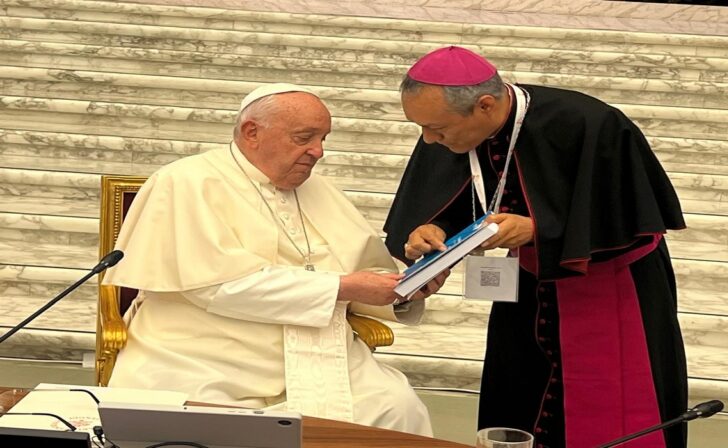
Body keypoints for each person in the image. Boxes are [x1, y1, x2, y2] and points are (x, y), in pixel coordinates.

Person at [384, 46, 688, 447]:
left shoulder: (589, 122)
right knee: (519, 392)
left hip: (607, 285)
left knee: (611, 406)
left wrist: (538, 228)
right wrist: (433, 225)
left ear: (485, 105)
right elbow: (456, 195)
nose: (429, 140)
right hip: (528, 286)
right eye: (421, 128)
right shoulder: (450, 128)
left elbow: (630, 214)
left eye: (437, 129)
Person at [102, 83, 447, 436]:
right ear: (252, 132)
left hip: (318, 345)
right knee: (190, 414)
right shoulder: (185, 181)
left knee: (396, 405)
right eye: (305, 138)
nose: (318, 152)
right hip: (203, 348)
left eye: (323, 138)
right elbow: (215, 286)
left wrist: (405, 288)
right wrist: (343, 287)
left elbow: (365, 269)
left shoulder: (321, 190)